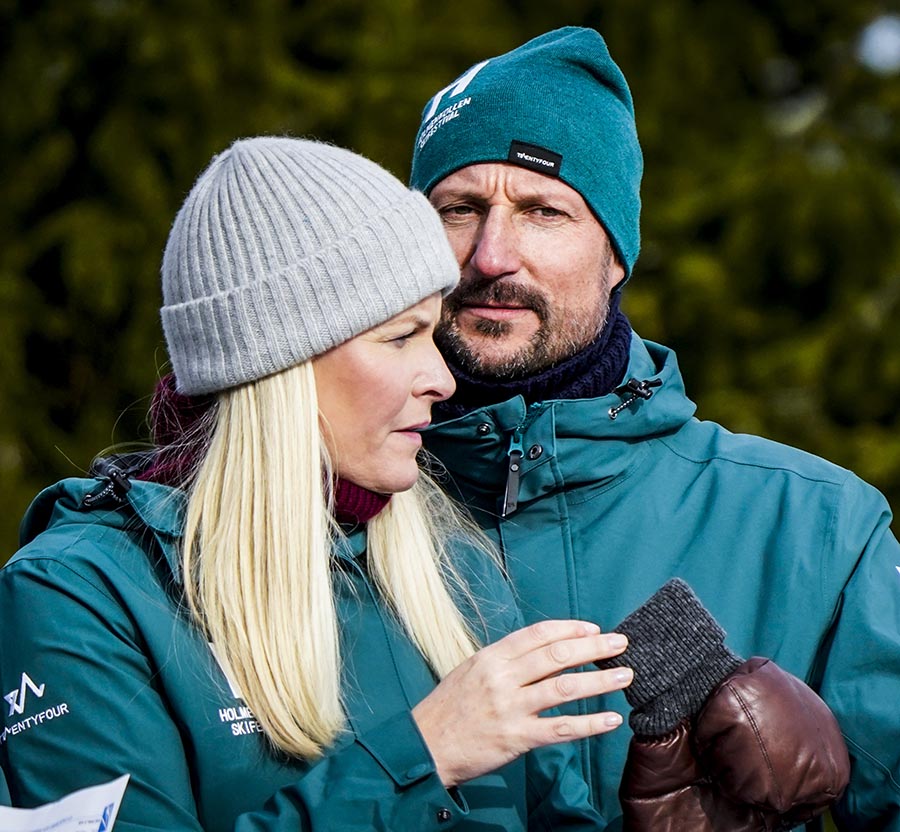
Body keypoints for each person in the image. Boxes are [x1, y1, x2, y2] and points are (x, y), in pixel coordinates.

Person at [0, 137, 635, 830]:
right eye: (400, 338)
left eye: (433, 332)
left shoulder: (448, 566)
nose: (442, 378)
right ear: (279, 365)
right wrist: (422, 756)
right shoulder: (80, 598)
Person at [408, 26, 900, 831]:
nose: (492, 255)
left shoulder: (817, 529)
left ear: (616, 253)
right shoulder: (331, 519)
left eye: (543, 209)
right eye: (458, 208)